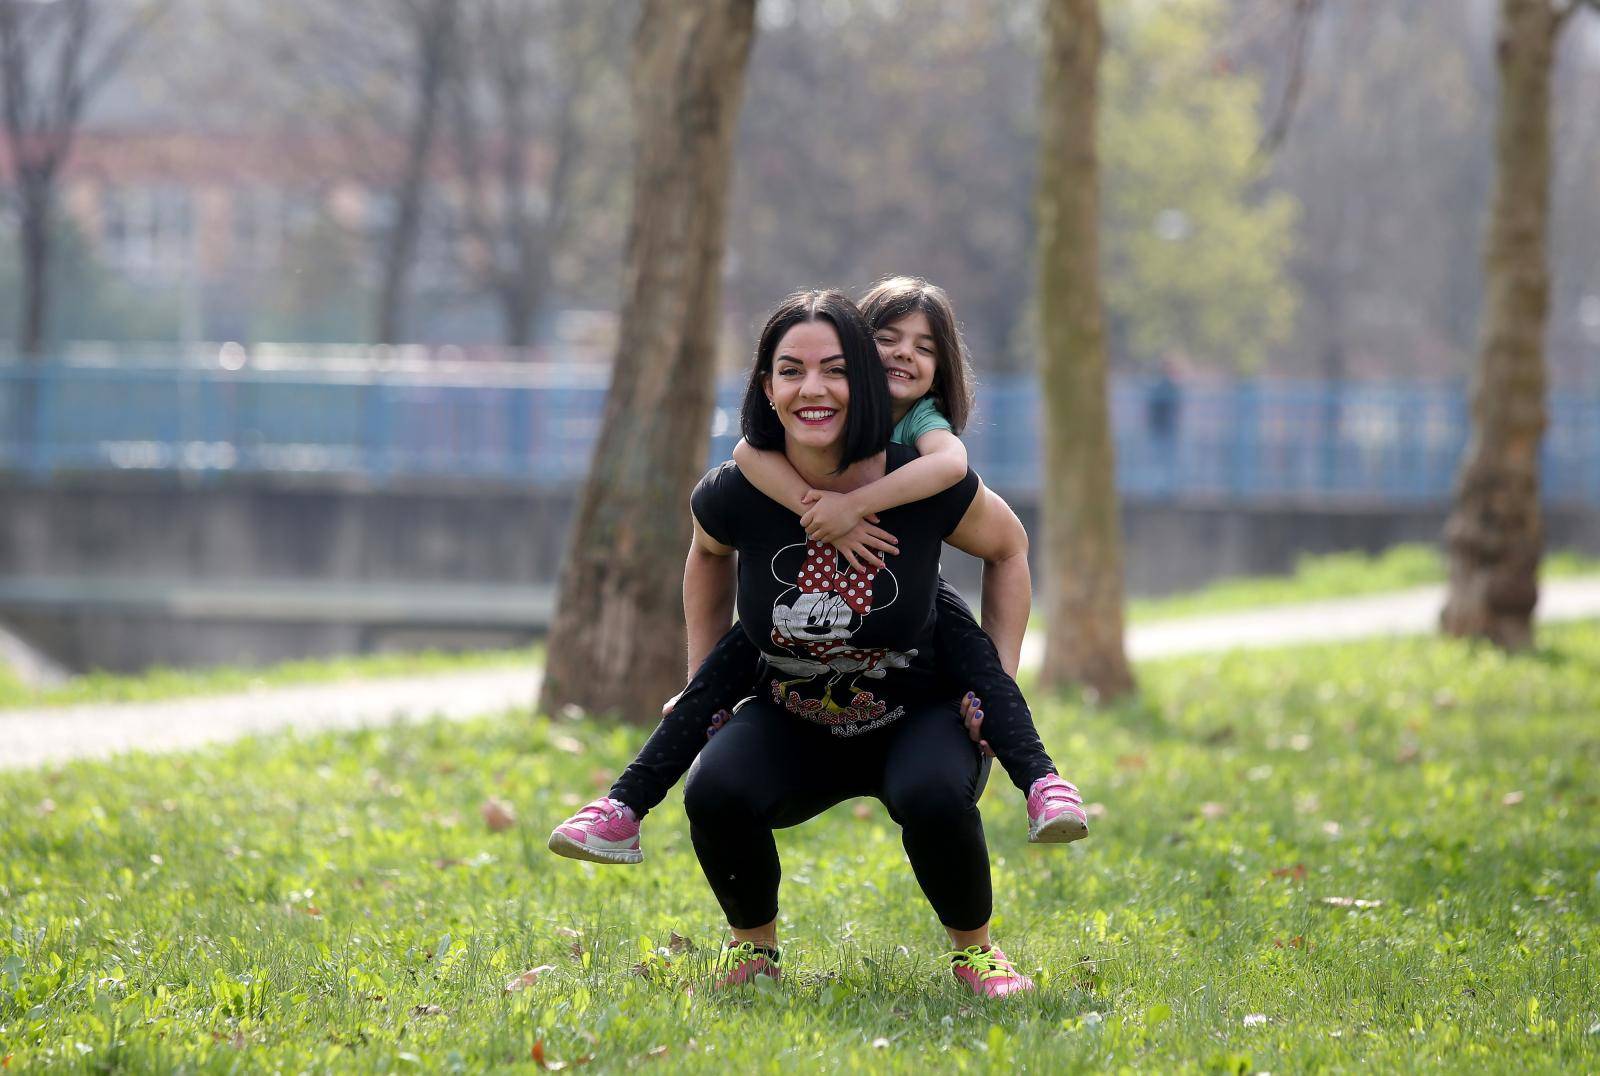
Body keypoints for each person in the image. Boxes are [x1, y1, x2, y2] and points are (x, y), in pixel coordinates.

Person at [560, 290, 1066, 996]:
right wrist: (699, 674)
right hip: (791, 713)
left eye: (834, 370)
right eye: (791, 372)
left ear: (861, 382)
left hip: (916, 717)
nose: (814, 389)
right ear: (766, 388)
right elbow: (706, 554)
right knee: (713, 789)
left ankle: (977, 953)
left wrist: (996, 685)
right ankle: (754, 952)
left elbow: (1009, 549)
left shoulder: (915, 478)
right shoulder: (739, 488)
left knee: (932, 794)